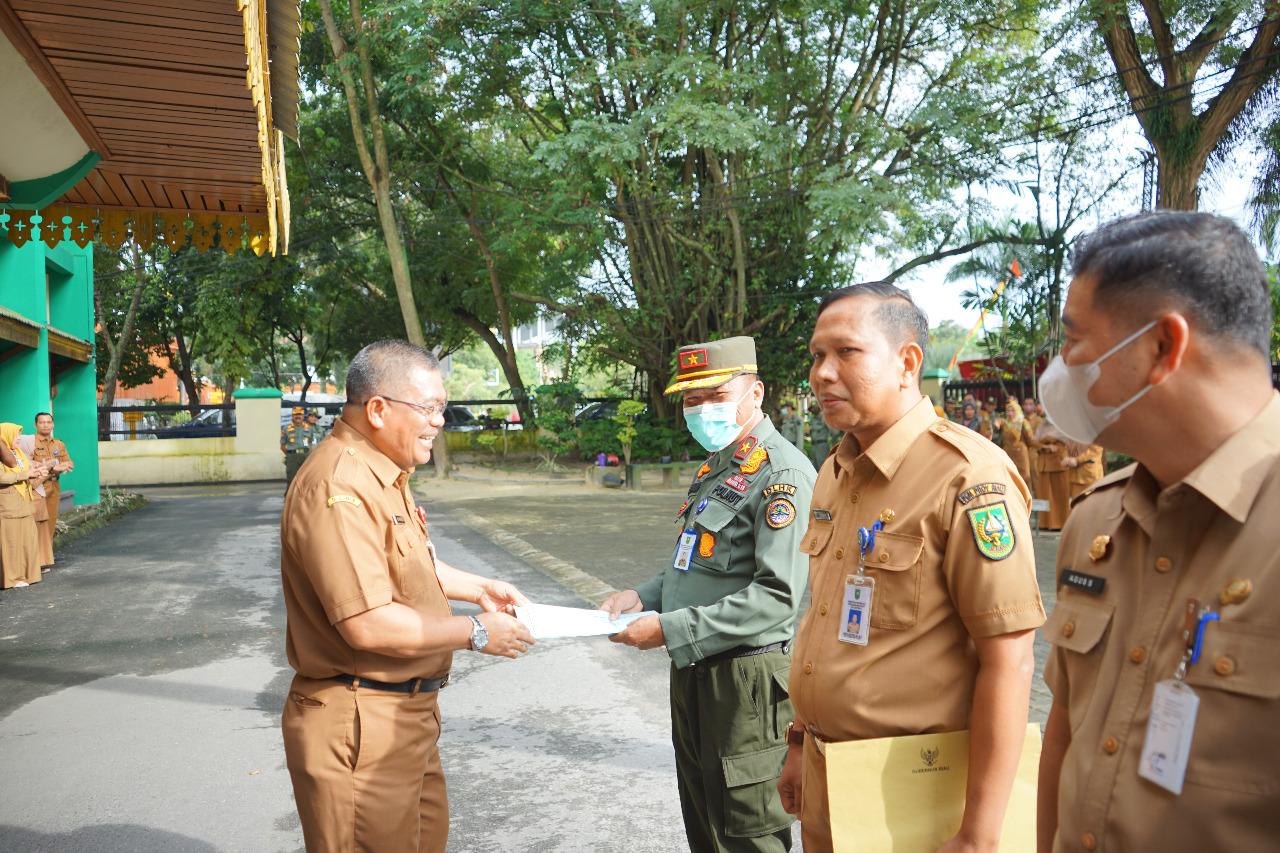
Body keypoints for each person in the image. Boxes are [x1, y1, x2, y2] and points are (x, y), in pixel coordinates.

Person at [1036, 211, 1280, 851]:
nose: (1060, 367)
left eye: (1074, 340)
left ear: (1162, 348)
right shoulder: (1095, 520)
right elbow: (1063, 732)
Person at [777, 282, 1045, 853]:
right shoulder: (836, 470)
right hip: (829, 769)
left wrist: (979, 833)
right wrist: (800, 742)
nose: (823, 373)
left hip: (913, 787)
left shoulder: (969, 477)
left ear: (907, 363)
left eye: (846, 352)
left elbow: (1010, 660)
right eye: (816, 356)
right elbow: (823, 619)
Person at [280, 339, 535, 853]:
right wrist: (477, 630)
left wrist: (480, 589)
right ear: (377, 409)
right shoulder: (341, 487)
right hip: (361, 722)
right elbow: (368, 623)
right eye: (430, 408)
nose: (440, 420)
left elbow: (408, 566)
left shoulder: (384, 472)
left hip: (406, 716)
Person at [602, 336, 816, 853]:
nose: (701, 410)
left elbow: (777, 597)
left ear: (756, 393)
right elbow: (695, 562)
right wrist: (643, 595)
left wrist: (668, 629)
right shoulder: (719, 467)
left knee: (747, 833)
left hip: (744, 683)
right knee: (704, 822)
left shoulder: (782, 474)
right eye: (691, 400)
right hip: (694, 672)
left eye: (716, 395)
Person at [21, 413, 73, 568]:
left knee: (50, 521)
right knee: (38, 521)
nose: (46, 425)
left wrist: (67, 465)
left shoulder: (58, 443)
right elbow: (27, 462)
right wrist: (50, 466)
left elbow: (67, 460)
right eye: (42, 422)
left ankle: (47, 555)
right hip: (39, 486)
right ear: (35, 425)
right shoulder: (30, 442)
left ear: (53, 424)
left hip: (54, 485)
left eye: (49, 422)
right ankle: (36, 557)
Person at [1, 424, 45, 590]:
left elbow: (28, 474)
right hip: (8, 506)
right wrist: (24, 474)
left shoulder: (18, 454)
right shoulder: (2, 454)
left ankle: (29, 574)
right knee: (10, 544)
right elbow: (2, 477)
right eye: (16, 435)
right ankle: (11, 578)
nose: (19, 438)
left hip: (24, 504)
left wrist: (39, 471)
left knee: (28, 541)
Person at [1028, 418, 1070, 530]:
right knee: (1044, 494)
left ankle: (1061, 524)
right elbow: (1033, 441)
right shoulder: (1043, 424)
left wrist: (1044, 442)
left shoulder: (1064, 424)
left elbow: (1069, 442)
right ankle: (1045, 524)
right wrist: (1046, 446)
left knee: (1060, 496)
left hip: (1059, 463)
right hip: (1044, 464)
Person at [281, 406, 318, 488]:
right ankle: (290, 499)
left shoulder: (309, 428)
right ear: (292, 416)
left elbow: (310, 443)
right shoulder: (286, 428)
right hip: (292, 457)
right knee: (291, 480)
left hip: (305, 456)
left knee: (307, 478)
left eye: (300, 415)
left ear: (303, 416)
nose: (298, 417)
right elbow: (282, 446)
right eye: (295, 415)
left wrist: (307, 453)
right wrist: (291, 454)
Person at [998, 399, 1032, 486]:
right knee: (1009, 480)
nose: (1010, 413)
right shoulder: (1005, 424)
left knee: (1023, 480)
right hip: (1008, 455)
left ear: (1017, 410)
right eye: (1008, 411)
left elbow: (1030, 440)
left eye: (1013, 410)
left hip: (1020, 455)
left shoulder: (1023, 423)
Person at [807, 403, 843, 469]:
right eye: (811, 409)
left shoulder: (825, 418)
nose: (813, 410)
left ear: (819, 408)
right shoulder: (812, 420)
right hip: (813, 446)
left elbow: (834, 433)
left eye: (814, 408)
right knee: (815, 469)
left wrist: (835, 446)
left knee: (823, 468)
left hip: (822, 446)